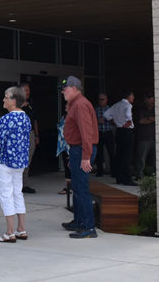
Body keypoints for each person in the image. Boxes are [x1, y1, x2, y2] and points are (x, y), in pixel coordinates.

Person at [59, 76, 99, 239]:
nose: (62, 92)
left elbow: (86, 132)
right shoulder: (75, 104)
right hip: (77, 150)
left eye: (65, 88)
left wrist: (85, 156)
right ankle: (78, 221)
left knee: (82, 189)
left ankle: (88, 227)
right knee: (76, 186)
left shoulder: (81, 105)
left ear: (74, 88)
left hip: (82, 150)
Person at [0, 86, 30, 243]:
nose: (3, 100)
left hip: (4, 161)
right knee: (17, 192)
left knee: (6, 194)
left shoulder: (6, 119)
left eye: (6, 97)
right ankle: (21, 228)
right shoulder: (25, 117)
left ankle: (10, 231)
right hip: (19, 161)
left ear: (13, 100)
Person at [104, 91, 137, 186]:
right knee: (127, 155)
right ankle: (127, 179)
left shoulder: (116, 105)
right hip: (126, 130)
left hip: (118, 131)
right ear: (129, 96)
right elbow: (128, 117)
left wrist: (114, 121)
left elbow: (106, 114)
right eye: (132, 96)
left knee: (119, 154)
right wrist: (127, 123)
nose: (133, 98)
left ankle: (119, 177)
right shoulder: (128, 105)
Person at [20, 82, 39, 193]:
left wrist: (37, 135)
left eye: (28, 90)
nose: (28, 92)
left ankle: (24, 184)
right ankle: (17, 185)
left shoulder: (31, 104)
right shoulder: (14, 103)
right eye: (25, 90)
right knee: (19, 160)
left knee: (27, 159)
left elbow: (35, 120)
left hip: (30, 134)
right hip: (19, 135)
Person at [135, 93, 156, 178]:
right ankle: (139, 175)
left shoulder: (156, 109)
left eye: (153, 100)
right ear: (145, 100)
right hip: (143, 137)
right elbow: (141, 121)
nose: (152, 102)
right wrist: (152, 119)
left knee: (156, 158)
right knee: (141, 158)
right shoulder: (141, 110)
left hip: (155, 137)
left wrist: (149, 118)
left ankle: (155, 175)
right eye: (150, 100)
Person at [94, 93, 115, 178]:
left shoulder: (110, 109)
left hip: (108, 132)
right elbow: (90, 122)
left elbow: (115, 122)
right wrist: (97, 121)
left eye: (102, 99)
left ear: (106, 100)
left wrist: (109, 120)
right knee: (99, 153)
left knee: (111, 152)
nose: (101, 101)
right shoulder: (95, 109)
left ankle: (113, 171)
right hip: (99, 132)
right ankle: (100, 171)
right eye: (99, 99)